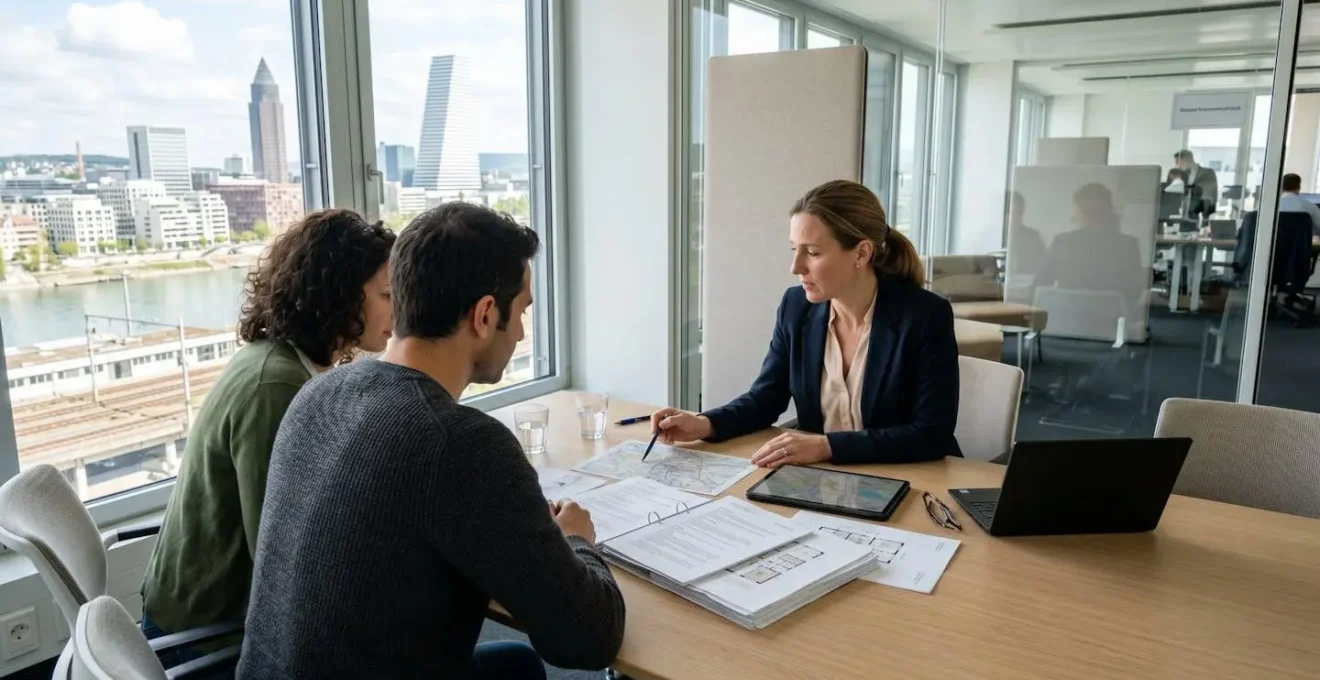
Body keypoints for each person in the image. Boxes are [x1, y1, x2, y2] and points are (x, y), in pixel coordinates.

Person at [237, 203, 626, 679]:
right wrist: (576, 542)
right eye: (521, 311)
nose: (522, 332)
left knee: (516, 666)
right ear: (485, 314)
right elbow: (589, 640)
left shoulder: (317, 394)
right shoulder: (460, 443)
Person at [140, 211, 395, 663]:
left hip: (206, 609)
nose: (399, 310)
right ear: (339, 296)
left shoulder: (278, 359)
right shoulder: (275, 388)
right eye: (387, 295)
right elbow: (282, 555)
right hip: (207, 636)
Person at [651, 179, 960, 467]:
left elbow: (931, 434)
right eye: (794, 249)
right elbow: (765, 399)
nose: (795, 267)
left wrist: (827, 446)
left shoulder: (924, 317)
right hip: (819, 480)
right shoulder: (796, 307)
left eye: (812, 252)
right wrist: (704, 423)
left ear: (862, 253)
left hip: (906, 479)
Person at [1006, 191, 1046, 276]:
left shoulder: (1033, 237)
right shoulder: (990, 238)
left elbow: (1044, 270)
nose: (1015, 216)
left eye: (1019, 212)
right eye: (1010, 212)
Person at [1174, 149, 1218, 217]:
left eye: (1178, 162)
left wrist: (1208, 217)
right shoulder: (1181, 175)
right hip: (1183, 217)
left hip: (1201, 215)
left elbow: (1211, 195)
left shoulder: (1208, 173)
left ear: (1186, 160)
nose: (1177, 165)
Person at [1278, 173, 1320, 237]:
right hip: (1302, 246)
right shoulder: (1311, 208)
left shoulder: (1271, 208)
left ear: (1281, 187)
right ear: (1299, 187)